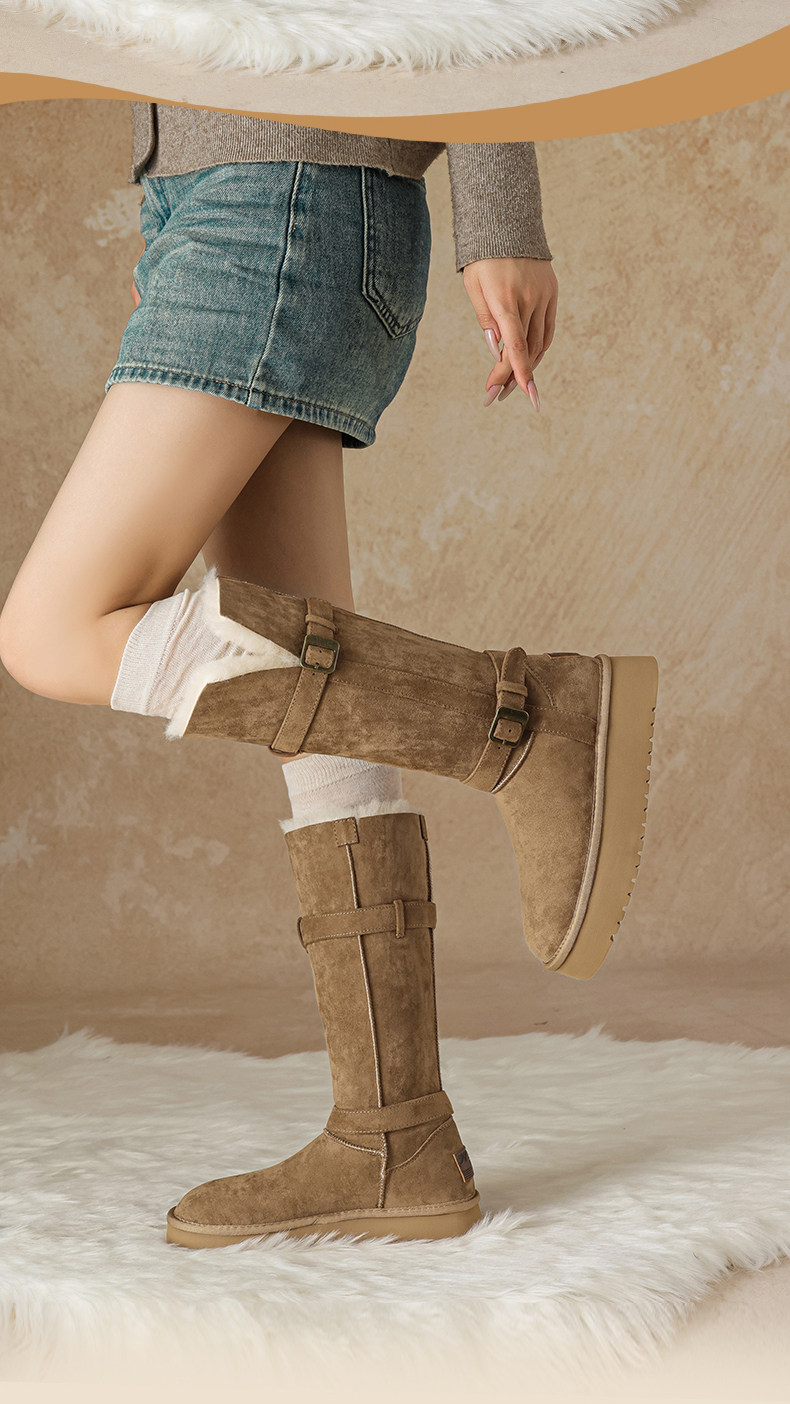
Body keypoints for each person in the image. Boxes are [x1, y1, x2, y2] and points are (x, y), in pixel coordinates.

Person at [0, 106, 657, 1250]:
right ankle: (393, 1139)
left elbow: (465, 23)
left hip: (281, 200)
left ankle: (522, 722)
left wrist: (501, 218)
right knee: (318, 728)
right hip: (236, 201)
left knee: (52, 633)